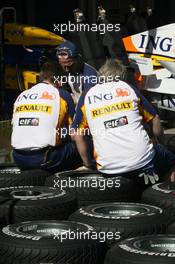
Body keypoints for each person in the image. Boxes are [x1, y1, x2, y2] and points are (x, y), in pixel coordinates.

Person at [71, 59, 175, 187]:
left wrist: (87, 165)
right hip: (143, 162)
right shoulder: (127, 88)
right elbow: (155, 119)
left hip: (107, 169)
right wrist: (160, 143)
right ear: (122, 76)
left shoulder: (87, 95)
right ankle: (164, 194)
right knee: (170, 160)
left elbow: (76, 135)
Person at [11, 62, 82, 172]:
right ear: (58, 80)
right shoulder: (62, 94)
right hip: (45, 158)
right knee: (83, 140)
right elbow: (73, 131)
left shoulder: (22, 95)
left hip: (18, 158)